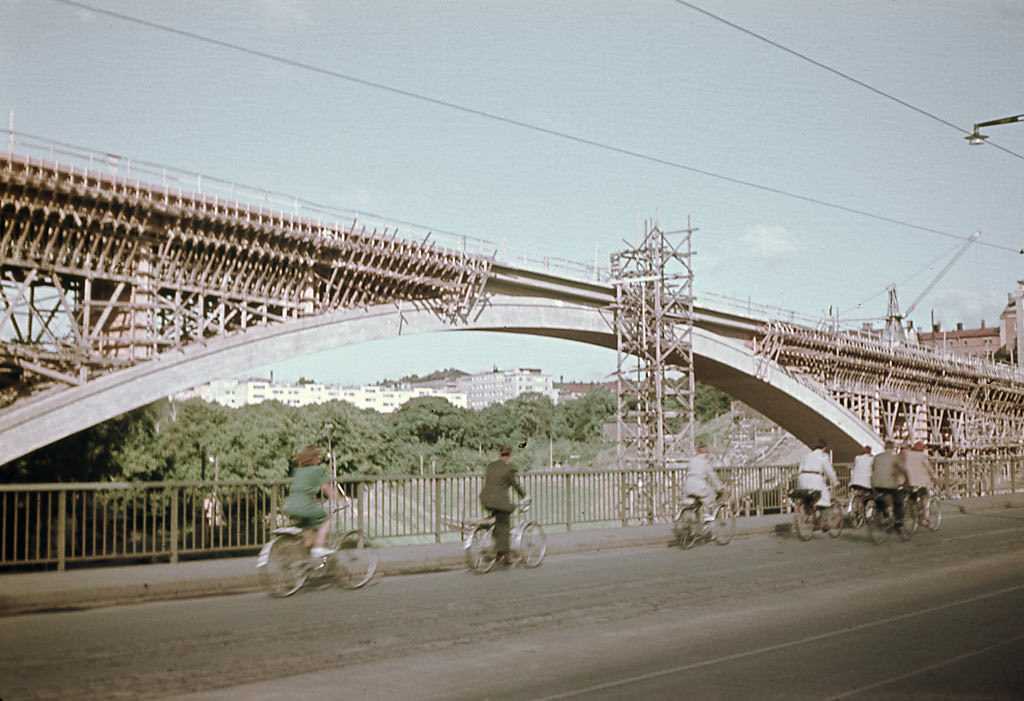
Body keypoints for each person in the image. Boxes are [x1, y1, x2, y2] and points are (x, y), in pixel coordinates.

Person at [282, 445, 347, 560]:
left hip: (290, 505)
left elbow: (302, 490)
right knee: (326, 519)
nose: (320, 457)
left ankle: (305, 565)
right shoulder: (316, 470)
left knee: (309, 530)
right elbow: (327, 489)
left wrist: (317, 500)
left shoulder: (298, 471)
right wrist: (341, 500)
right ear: (313, 458)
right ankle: (319, 547)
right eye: (318, 455)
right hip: (304, 506)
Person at [479, 444, 529, 566]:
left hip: (485, 499)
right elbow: (515, 485)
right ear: (510, 455)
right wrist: (525, 496)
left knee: (498, 524)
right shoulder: (508, 469)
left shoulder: (490, 466)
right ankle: (504, 554)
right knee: (505, 525)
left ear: (499, 453)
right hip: (499, 502)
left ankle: (498, 550)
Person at [871, 439, 909, 523]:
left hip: (876, 484)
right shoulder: (895, 457)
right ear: (893, 448)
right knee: (898, 499)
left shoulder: (877, 456)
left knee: (879, 498)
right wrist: (907, 479)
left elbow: (873, 468)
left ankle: (883, 515)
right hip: (888, 484)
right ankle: (898, 519)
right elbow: (903, 469)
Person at [683, 443, 724, 522]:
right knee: (711, 495)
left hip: (688, 486)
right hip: (699, 486)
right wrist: (720, 486)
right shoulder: (705, 462)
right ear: (707, 453)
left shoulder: (692, 460)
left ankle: (697, 520)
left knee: (697, 503)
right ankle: (707, 515)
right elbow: (712, 476)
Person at [796, 439, 838, 509]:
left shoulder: (806, 456)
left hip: (802, 478)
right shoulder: (823, 456)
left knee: (808, 495)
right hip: (814, 478)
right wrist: (835, 481)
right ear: (824, 448)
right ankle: (820, 515)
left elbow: (799, 470)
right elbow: (829, 471)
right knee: (825, 497)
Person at [903, 441, 936, 527]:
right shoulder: (922, 456)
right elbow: (928, 468)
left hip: (909, 482)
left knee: (912, 496)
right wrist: (934, 477)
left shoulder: (908, 455)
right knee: (925, 497)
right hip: (919, 483)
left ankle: (911, 510)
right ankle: (924, 519)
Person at [848, 445, 874, 516]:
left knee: (855, 494)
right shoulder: (872, 459)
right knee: (872, 495)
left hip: (854, 482)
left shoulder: (857, 458)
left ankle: (852, 508)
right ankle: (868, 512)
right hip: (865, 483)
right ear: (870, 452)